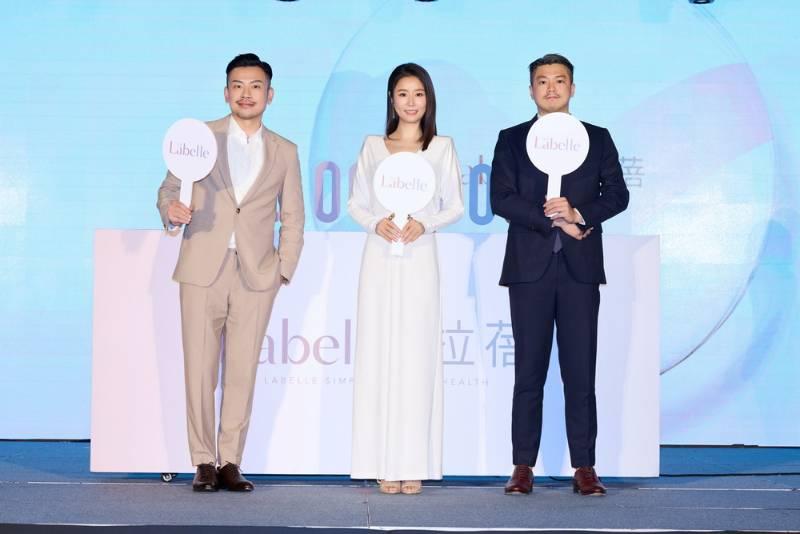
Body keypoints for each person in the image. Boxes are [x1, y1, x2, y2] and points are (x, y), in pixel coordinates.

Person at [157, 53, 304, 492]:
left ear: (270, 95)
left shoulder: (285, 151)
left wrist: (283, 269)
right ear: (226, 92)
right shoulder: (198, 139)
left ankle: (231, 461)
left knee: (242, 372)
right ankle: (203, 460)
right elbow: (168, 189)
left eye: (255, 86)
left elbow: (293, 216)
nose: (246, 93)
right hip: (203, 267)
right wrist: (171, 209)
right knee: (199, 370)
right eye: (238, 85)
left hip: (256, 274)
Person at [489, 53, 629, 496]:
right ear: (530, 89)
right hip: (529, 269)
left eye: (559, 80)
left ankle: (585, 465)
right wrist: (553, 220)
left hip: (579, 269)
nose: (551, 88)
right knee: (528, 372)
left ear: (573, 88)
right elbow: (501, 198)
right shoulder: (512, 139)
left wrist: (578, 214)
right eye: (542, 81)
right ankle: (522, 465)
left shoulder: (597, 138)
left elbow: (618, 195)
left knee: (580, 371)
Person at [348, 63, 464, 495]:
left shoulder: (442, 147)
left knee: (417, 357)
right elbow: (356, 203)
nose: (411, 102)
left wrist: (425, 224)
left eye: (418, 94)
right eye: (402, 93)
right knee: (378, 353)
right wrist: (375, 223)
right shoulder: (373, 146)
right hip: (380, 257)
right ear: (391, 99)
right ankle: (381, 461)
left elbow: (454, 205)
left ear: (428, 99)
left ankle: (412, 462)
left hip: (419, 257)